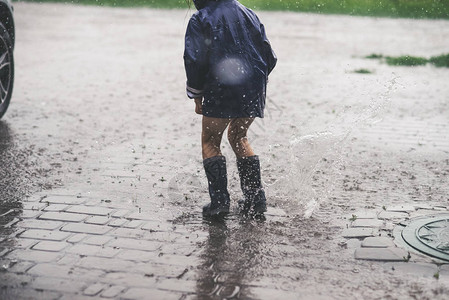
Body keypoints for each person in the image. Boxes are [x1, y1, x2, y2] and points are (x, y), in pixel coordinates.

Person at [184, 0, 277, 218]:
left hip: (220, 84)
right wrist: (255, 84)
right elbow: (269, 56)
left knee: (210, 140)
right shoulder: (249, 14)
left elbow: (194, 60)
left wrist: (196, 94)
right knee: (239, 136)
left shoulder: (201, 18)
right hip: (253, 84)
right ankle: (255, 200)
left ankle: (219, 203)